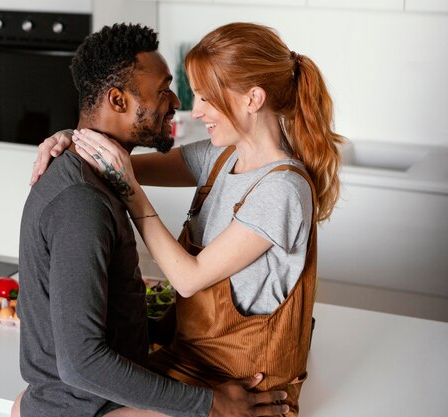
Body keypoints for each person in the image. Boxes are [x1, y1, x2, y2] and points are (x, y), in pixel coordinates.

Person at [31, 22, 345, 416]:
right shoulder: (221, 157)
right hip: (191, 360)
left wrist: (130, 192)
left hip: (248, 387)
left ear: (253, 98)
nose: (195, 110)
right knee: (32, 406)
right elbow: (115, 160)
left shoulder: (281, 190)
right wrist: (73, 138)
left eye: (206, 98)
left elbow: (189, 276)